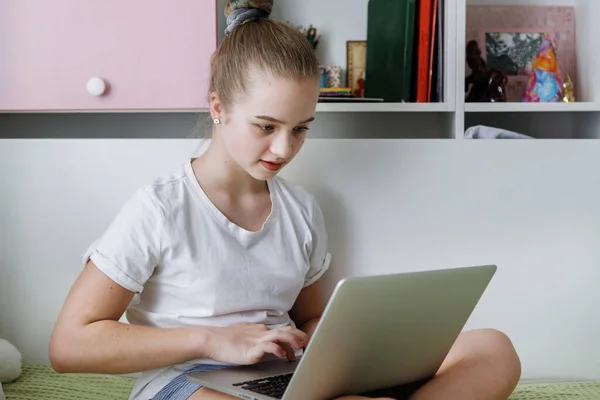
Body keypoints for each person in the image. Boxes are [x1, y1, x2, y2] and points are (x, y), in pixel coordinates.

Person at [49, 1, 522, 399]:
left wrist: (332, 344)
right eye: (266, 126)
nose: (284, 149)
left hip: (285, 380)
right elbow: (69, 345)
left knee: (493, 350)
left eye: (300, 129)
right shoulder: (160, 209)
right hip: (188, 382)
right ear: (218, 108)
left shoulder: (300, 211)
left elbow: (309, 316)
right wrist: (213, 341)